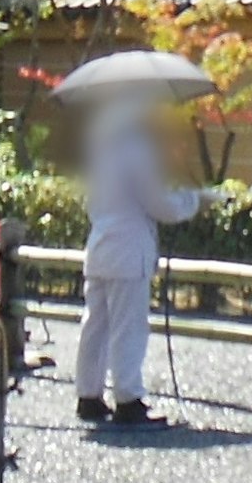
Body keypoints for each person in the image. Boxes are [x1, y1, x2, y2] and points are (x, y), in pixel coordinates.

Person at [75, 90, 199, 427]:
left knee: (96, 325)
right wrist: (192, 202)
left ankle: (88, 394)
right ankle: (128, 399)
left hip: (100, 245)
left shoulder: (98, 149)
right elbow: (158, 203)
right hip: (130, 251)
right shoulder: (137, 149)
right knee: (128, 328)